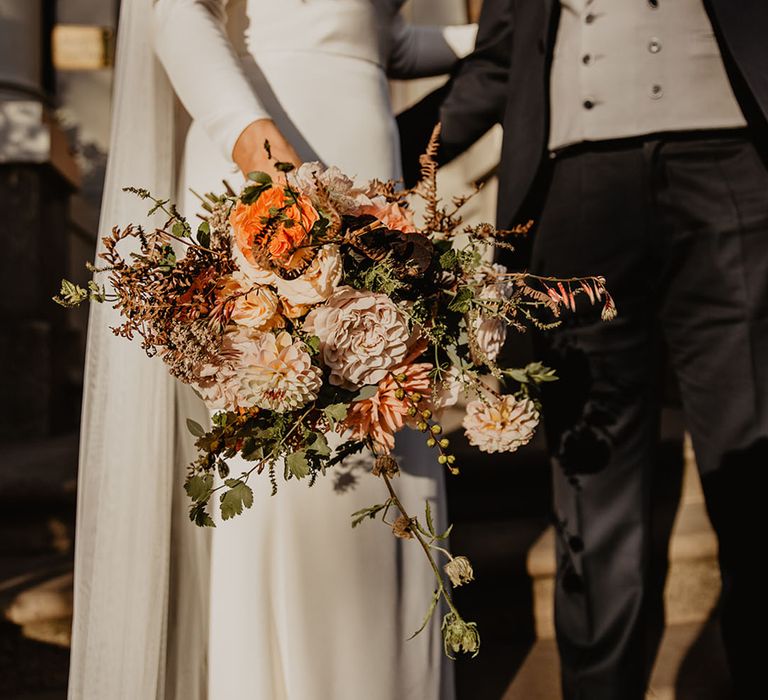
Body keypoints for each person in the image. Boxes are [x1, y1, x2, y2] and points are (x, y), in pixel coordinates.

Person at [68, 2, 477, 699]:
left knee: (390, 417)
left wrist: (507, 31)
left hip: (367, 162)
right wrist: (252, 140)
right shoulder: (258, 142)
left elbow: (380, 36)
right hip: (265, 151)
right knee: (290, 449)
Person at [420, 0, 768, 698]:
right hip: (577, 189)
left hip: (729, 162)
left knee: (753, 460)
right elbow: (499, 61)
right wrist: (370, 153)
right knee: (592, 474)